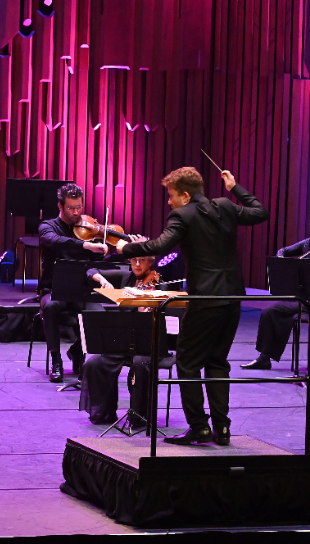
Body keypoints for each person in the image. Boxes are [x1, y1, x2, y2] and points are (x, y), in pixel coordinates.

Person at [115, 167, 269, 446]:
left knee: (187, 363)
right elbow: (260, 211)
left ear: (185, 195)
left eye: (171, 196)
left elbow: (161, 244)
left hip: (204, 300)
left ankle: (199, 427)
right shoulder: (225, 206)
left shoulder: (182, 215)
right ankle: (222, 429)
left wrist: (124, 249)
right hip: (233, 297)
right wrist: (234, 187)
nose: (169, 202)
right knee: (218, 362)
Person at [242, 205, 310, 370]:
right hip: (305, 297)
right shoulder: (308, 243)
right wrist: (282, 261)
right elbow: (283, 251)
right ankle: (264, 357)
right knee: (270, 311)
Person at [38, 183, 114, 383]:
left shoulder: (87, 229)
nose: (76, 212)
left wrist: (102, 267)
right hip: (53, 289)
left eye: (79, 207)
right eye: (71, 208)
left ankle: (76, 351)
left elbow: (93, 263)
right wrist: (86, 245)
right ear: (60, 207)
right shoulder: (47, 227)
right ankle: (56, 359)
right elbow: (55, 241)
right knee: (51, 307)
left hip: (80, 290)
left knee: (100, 315)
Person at [80, 256, 162, 426]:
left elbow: (170, 318)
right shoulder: (126, 277)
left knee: (140, 365)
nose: (137, 265)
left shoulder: (160, 282)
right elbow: (91, 271)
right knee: (94, 364)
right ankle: (104, 412)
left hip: (148, 346)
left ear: (151, 261)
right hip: (123, 343)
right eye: (134, 260)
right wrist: (103, 280)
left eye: (143, 260)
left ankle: (139, 416)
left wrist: (151, 309)